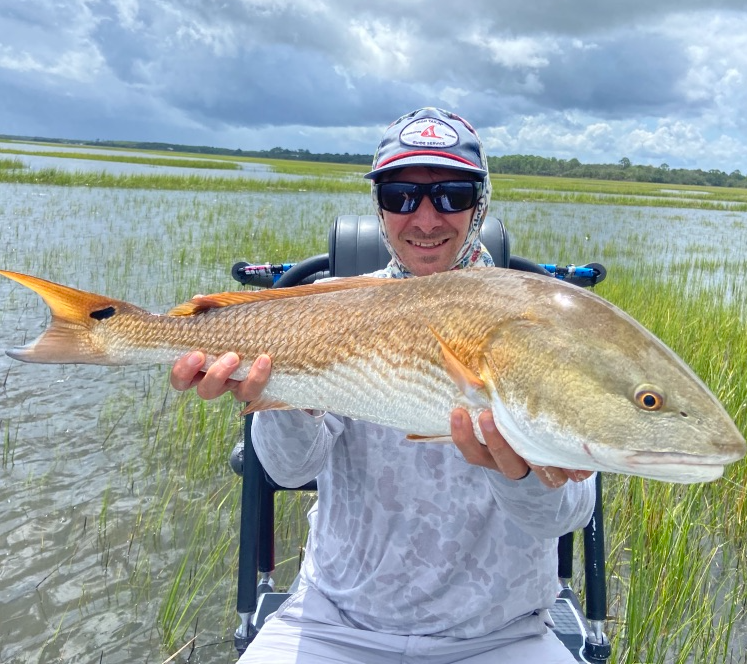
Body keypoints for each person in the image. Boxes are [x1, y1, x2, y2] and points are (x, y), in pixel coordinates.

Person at [171, 107, 596, 663]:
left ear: (481, 202)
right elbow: (291, 470)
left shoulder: (539, 320)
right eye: (399, 194)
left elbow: (563, 516)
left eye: (451, 194)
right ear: (378, 207)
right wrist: (278, 402)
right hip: (335, 621)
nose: (424, 218)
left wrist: (518, 472)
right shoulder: (334, 306)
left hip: (502, 630)